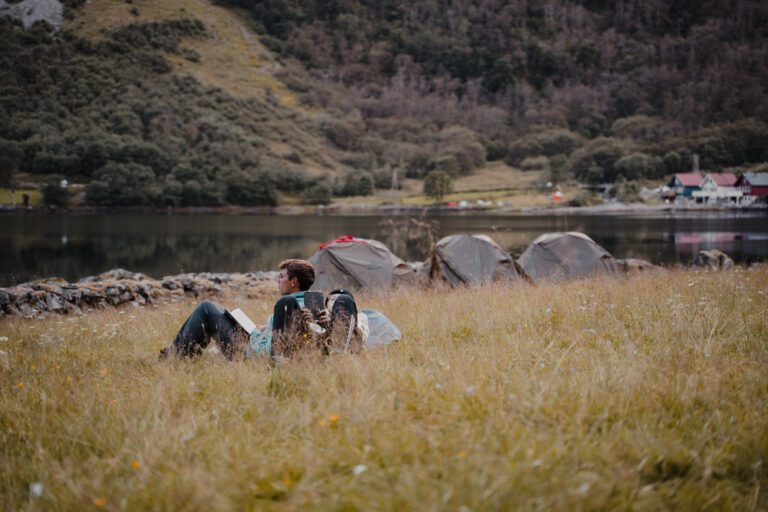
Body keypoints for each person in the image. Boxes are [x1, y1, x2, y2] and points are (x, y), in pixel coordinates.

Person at [160, 259, 359, 360]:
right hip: (257, 340)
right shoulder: (308, 305)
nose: (278, 281)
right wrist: (263, 329)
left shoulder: (297, 307)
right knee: (220, 312)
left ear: (294, 281)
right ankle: (178, 352)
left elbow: (300, 339)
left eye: (281, 277)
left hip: (251, 352)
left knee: (207, 308)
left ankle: (176, 355)